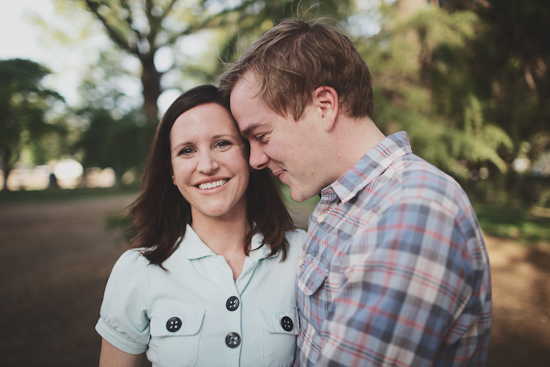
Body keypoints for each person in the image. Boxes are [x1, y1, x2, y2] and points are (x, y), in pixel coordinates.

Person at [220, 18, 492, 367]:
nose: (255, 159)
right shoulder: (345, 203)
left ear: (324, 106)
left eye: (262, 135)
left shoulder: (413, 210)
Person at [95, 84, 307, 367]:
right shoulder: (137, 271)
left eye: (222, 143)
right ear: (170, 171)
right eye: (186, 150)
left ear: (249, 154)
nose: (206, 165)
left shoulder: (303, 255)